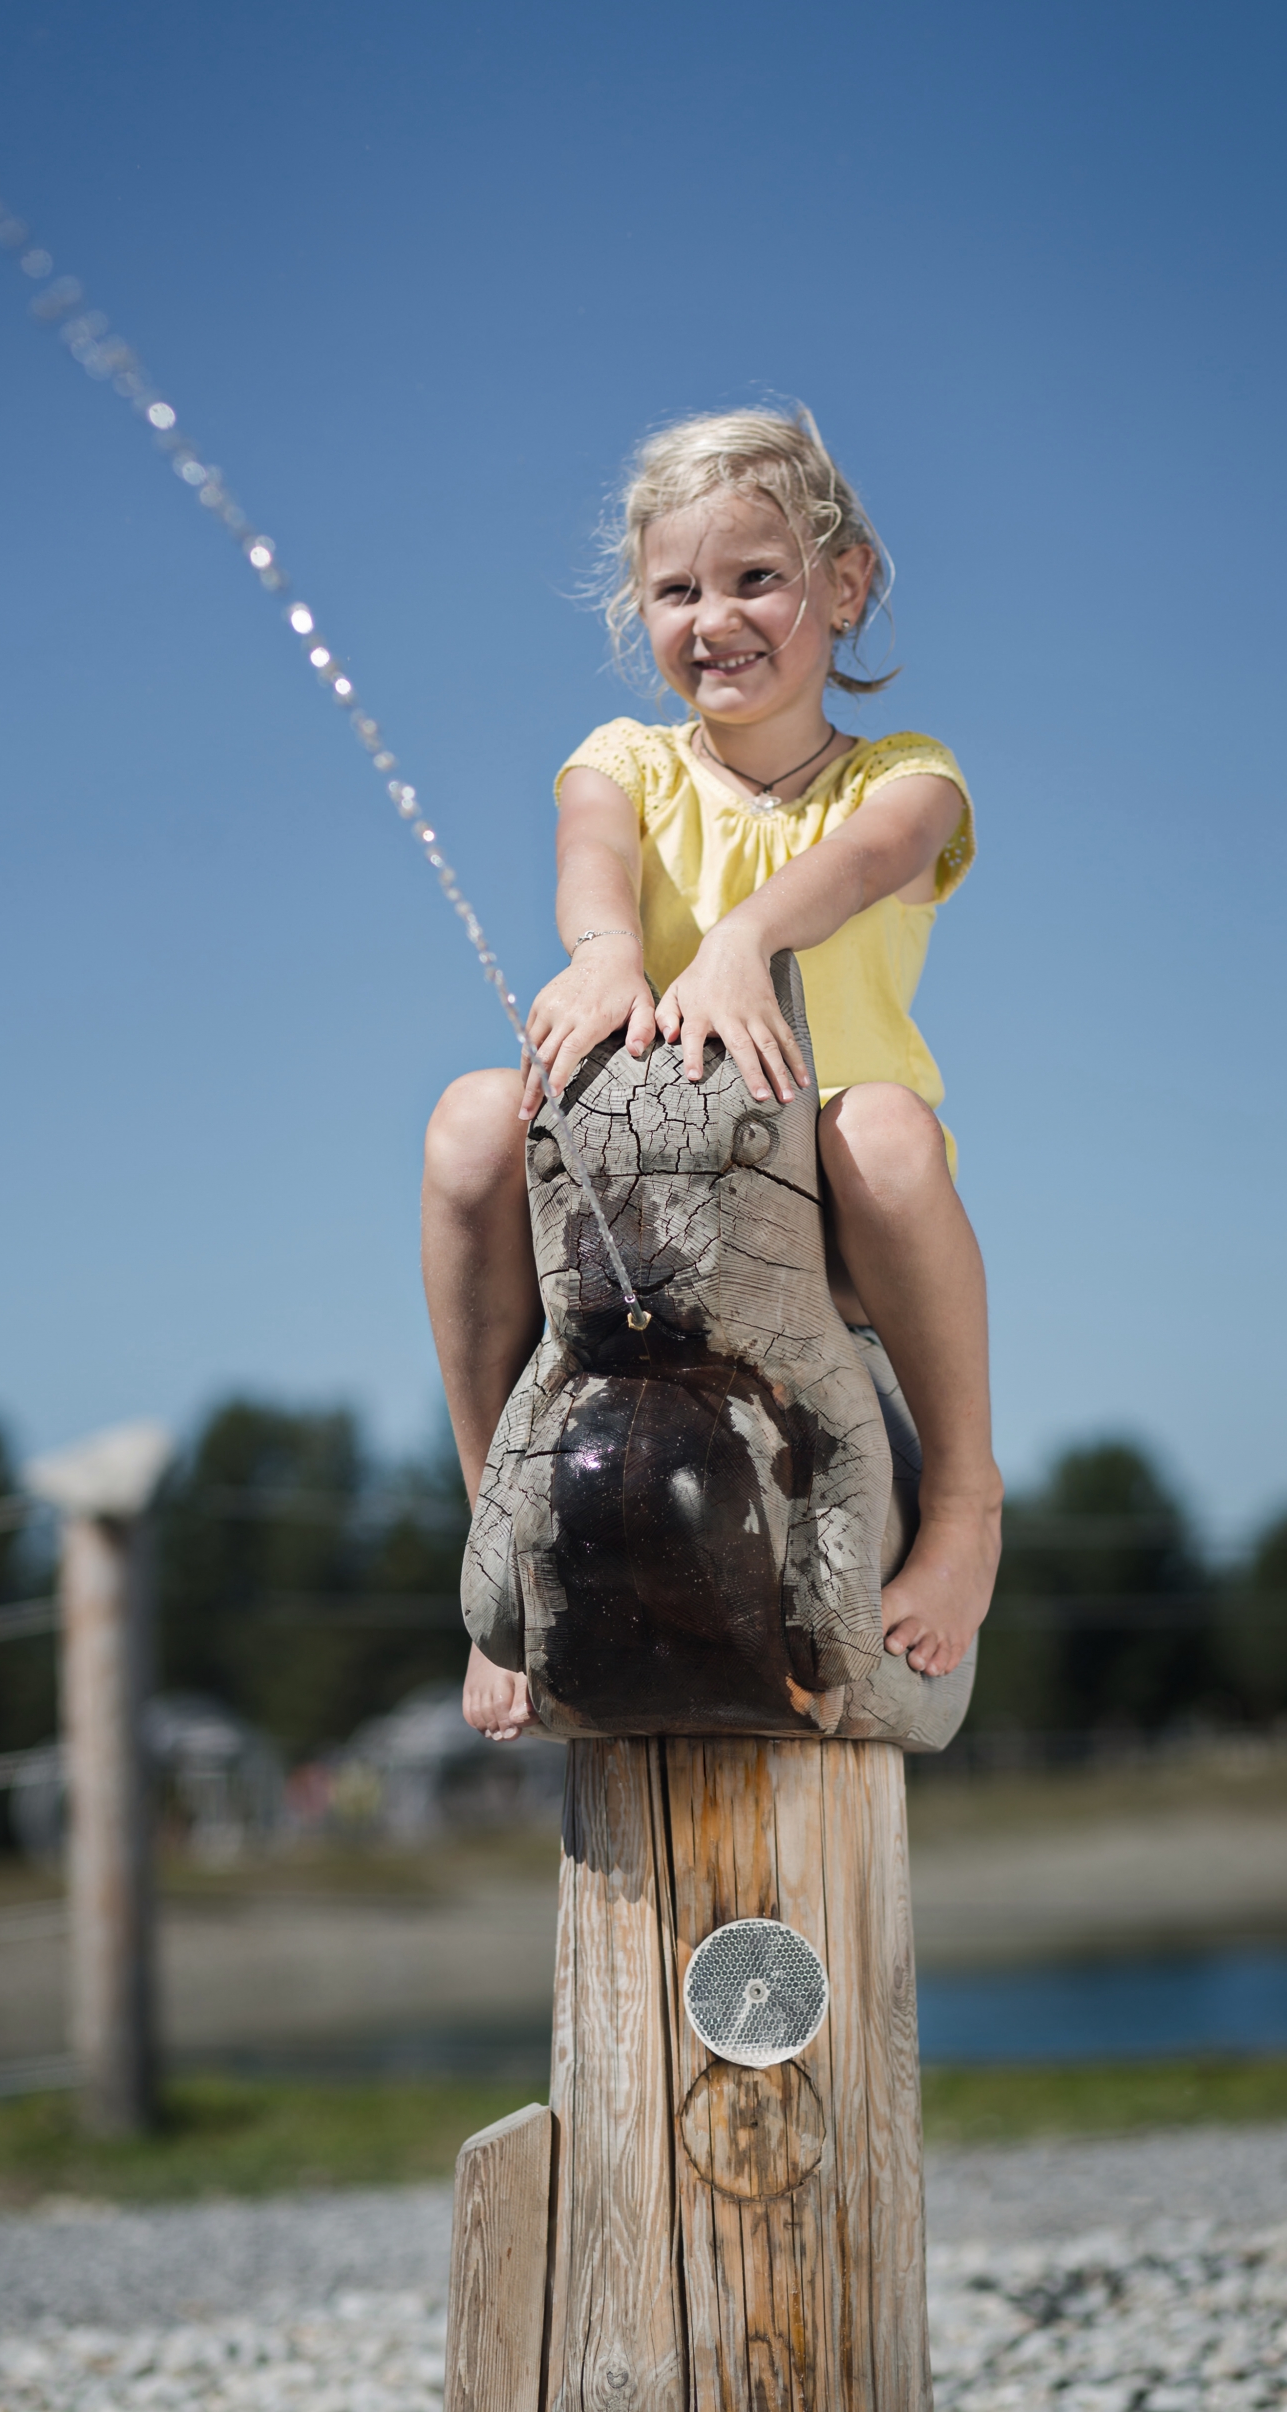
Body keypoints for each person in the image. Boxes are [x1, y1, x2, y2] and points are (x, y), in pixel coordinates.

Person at [423, 407, 1001, 1740]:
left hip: (831, 1223)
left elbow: (861, 865)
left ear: (844, 585)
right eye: (677, 590)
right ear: (639, 609)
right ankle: (501, 1542)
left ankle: (969, 1505)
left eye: (756, 578)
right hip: (641, 1206)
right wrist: (606, 952)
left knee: (886, 1131)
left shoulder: (907, 782)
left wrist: (744, 942)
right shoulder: (621, 763)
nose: (715, 618)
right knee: (465, 1125)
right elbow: (589, 854)